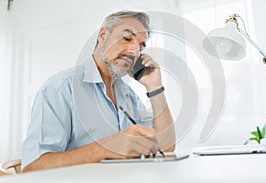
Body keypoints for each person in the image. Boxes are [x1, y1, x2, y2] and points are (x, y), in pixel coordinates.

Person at [22, 10, 176, 172]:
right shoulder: (60, 89)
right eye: (127, 38)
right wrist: (104, 149)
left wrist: (155, 87)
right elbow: (33, 166)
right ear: (103, 35)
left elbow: (166, 146)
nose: (134, 51)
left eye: (140, 46)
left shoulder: (128, 95)